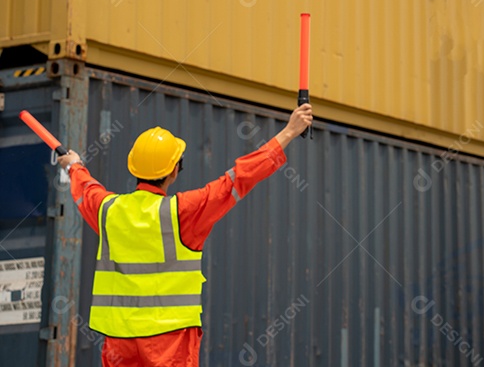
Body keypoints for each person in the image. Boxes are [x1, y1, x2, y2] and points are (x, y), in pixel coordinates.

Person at [56, 103, 314, 367]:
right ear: (174, 170)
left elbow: (86, 188)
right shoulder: (184, 211)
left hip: (118, 341)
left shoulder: (107, 210)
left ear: (133, 167)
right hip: (169, 342)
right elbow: (239, 178)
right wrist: (289, 132)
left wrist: (73, 165)